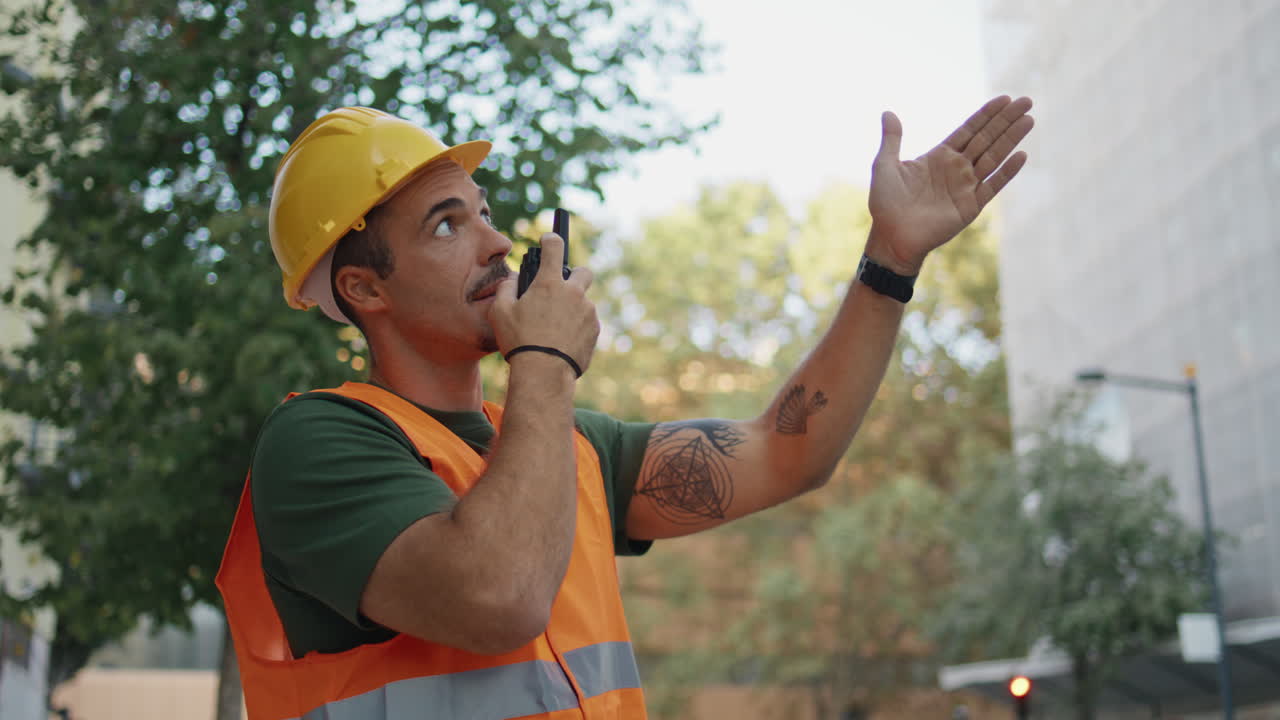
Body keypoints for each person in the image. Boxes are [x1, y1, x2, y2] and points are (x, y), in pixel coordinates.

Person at [217, 97, 1034, 719]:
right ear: (364, 287)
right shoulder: (319, 440)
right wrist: (542, 359)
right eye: (445, 225)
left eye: (486, 213)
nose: (497, 245)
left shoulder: (560, 445)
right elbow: (499, 597)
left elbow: (791, 451)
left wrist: (889, 262)